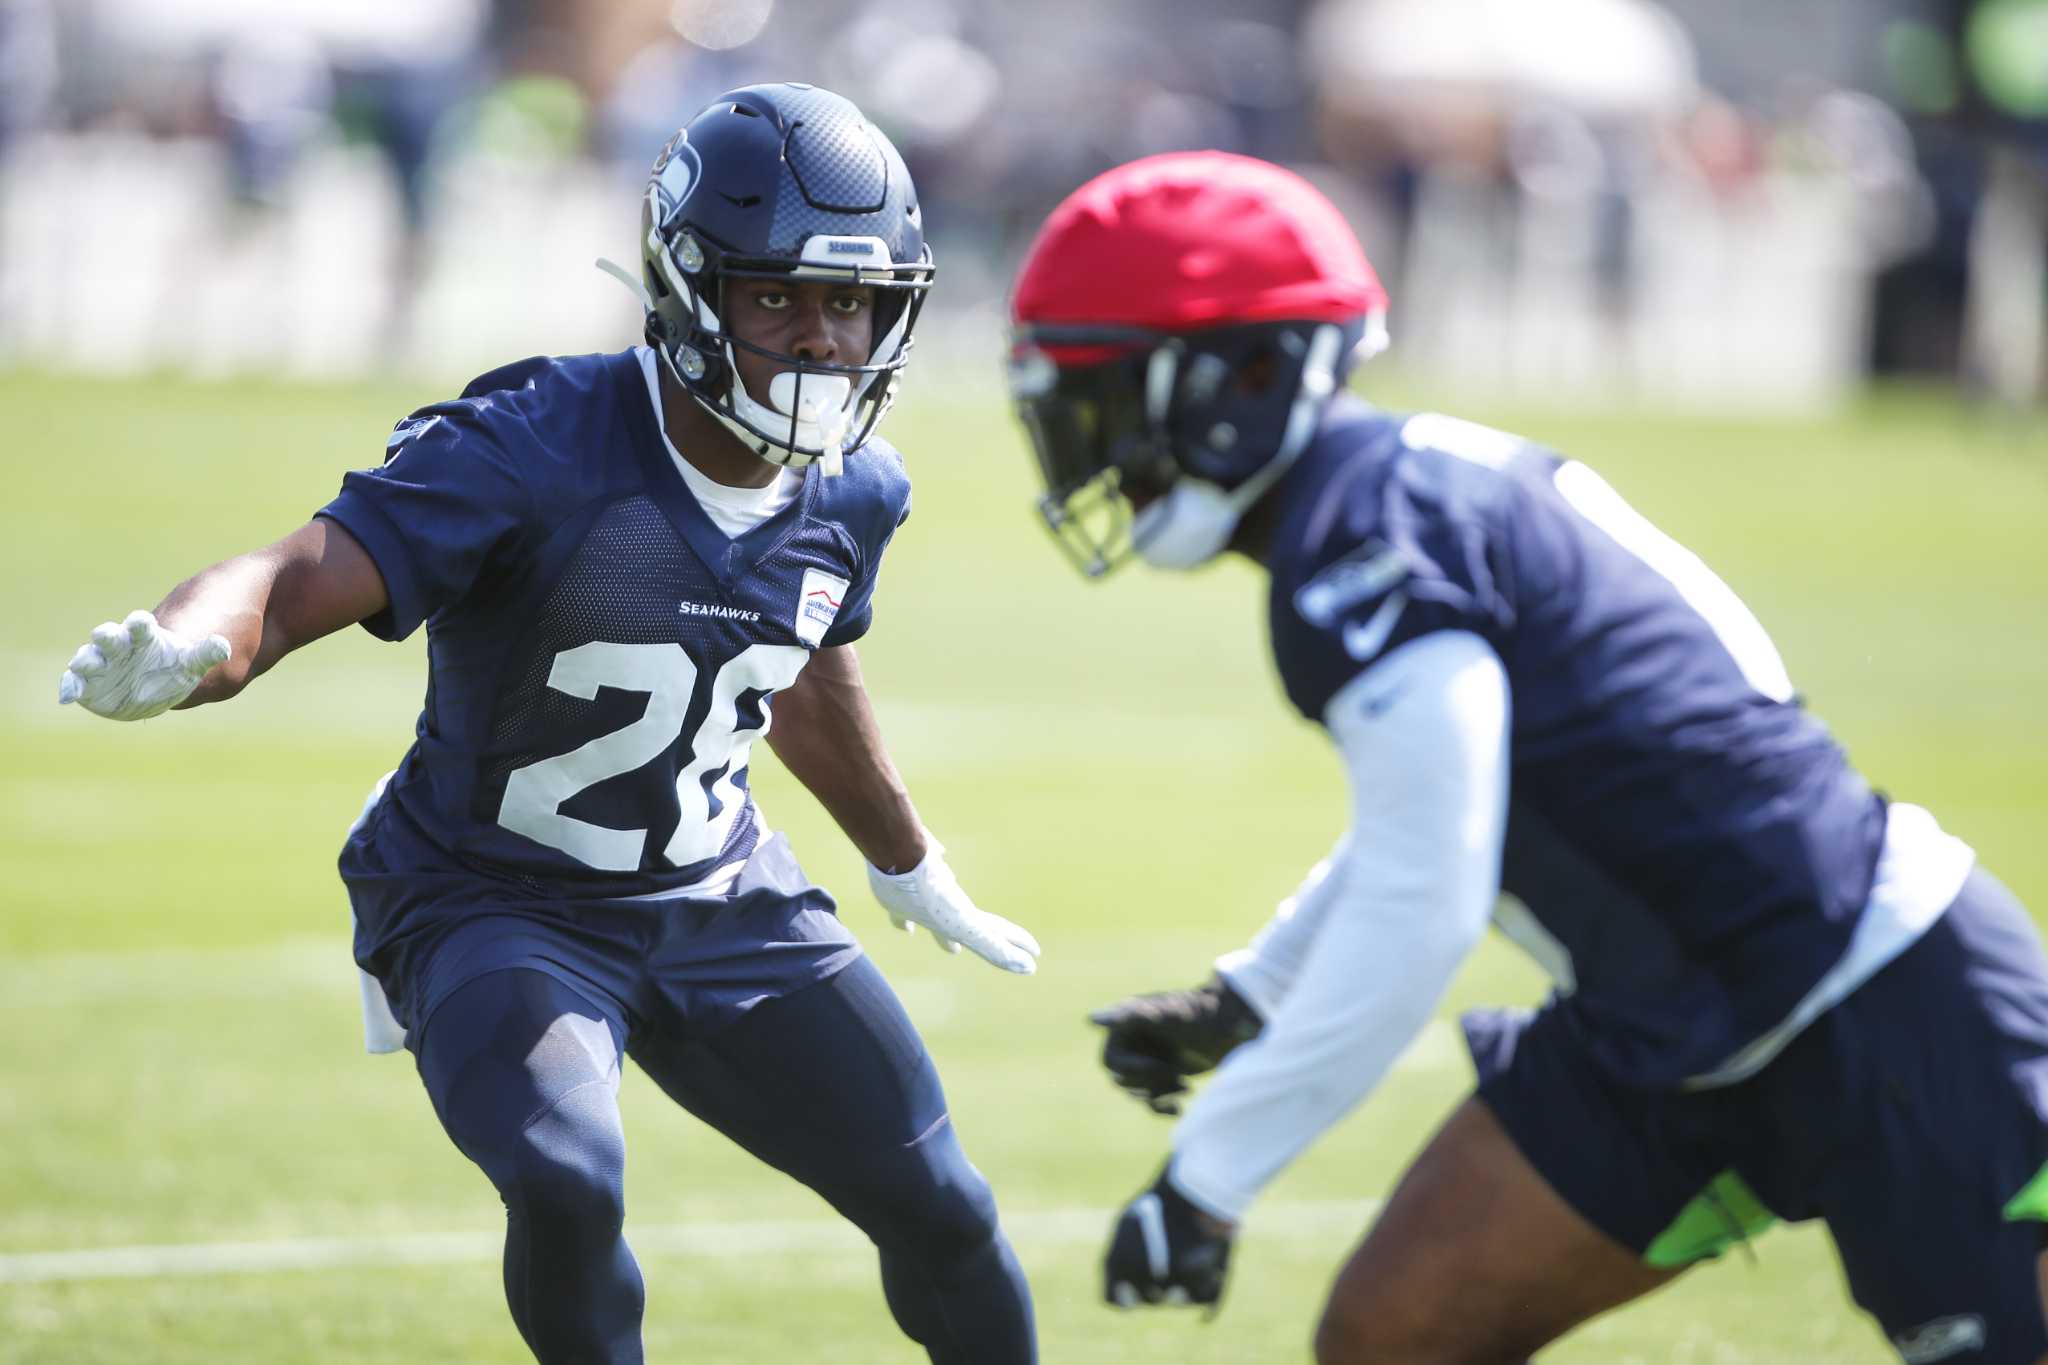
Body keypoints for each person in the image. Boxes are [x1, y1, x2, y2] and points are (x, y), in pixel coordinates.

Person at [1005, 149, 2048, 1364]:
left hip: (1875, 1002)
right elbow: (1440, 813)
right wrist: (1255, 993)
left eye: (1107, 403)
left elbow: (1424, 896)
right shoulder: (1387, 496)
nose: (1088, 450)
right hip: (1660, 1025)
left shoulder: (1366, 534)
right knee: (1394, 1340)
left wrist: (1210, 1171)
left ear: (1242, 375)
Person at [57, 83, 1039, 1365]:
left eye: (846, 303)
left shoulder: (855, 488)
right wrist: (200, 647)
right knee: (568, 1178)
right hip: (490, 902)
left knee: (945, 1210)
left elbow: (797, 661)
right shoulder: (538, 444)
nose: (816, 340)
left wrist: (907, 859)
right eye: (775, 297)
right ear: (689, 290)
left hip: (718, 892)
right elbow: (296, 577)